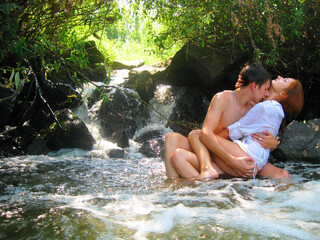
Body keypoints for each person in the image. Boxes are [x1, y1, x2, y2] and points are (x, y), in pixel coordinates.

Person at [172, 76, 304, 179]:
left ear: (283, 93)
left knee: (197, 134)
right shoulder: (272, 110)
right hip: (254, 162)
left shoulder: (268, 107)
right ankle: (208, 181)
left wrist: (210, 139)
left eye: (285, 80)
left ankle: (207, 169)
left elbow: (237, 129)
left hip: (247, 155)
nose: (280, 77)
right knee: (179, 156)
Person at [164, 63, 278, 179]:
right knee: (172, 138)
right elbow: (206, 133)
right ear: (254, 86)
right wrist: (231, 160)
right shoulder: (222, 98)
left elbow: (262, 137)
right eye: (265, 89)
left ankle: (202, 183)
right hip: (209, 149)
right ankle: (173, 182)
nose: (267, 94)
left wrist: (274, 143)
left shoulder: (254, 109)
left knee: (193, 137)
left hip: (226, 155)